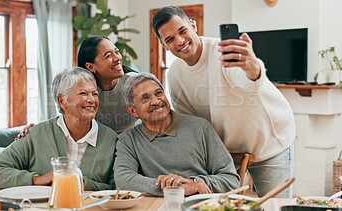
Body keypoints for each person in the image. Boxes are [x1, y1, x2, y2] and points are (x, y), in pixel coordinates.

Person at [152, 6, 296, 198]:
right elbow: (191, 125)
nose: (179, 41)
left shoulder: (223, 52)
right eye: (169, 39)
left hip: (269, 141)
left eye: (182, 31)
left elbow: (247, 82)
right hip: (225, 154)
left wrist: (252, 67)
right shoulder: (175, 75)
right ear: (164, 45)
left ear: (193, 25)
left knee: (275, 207)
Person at [0, 68, 117, 190]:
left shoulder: (111, 140)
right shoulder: (37, 134)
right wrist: (36, 180)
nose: (91, 100)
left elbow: (117, 187)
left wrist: (80, 182)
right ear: (62, 101)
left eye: (95, 94)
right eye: (83, 93)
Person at [114, 72, 239, 196]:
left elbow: (231, 179)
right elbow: (123, 179)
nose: (155, 101)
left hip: (200, 204)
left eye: (158, 93)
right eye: (145, 98)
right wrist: (174, 189)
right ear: (133, 111)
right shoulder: (128, 140)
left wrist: (196, 182)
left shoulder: (201, 128)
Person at [16, 37, 137, 137]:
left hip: (130, 147)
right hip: (98, 147)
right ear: (90, 67)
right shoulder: (83, 91)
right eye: (108, 55)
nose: (117, 58)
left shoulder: (135, 83)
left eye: (117, 52)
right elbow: (67, 119)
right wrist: (36, 131)